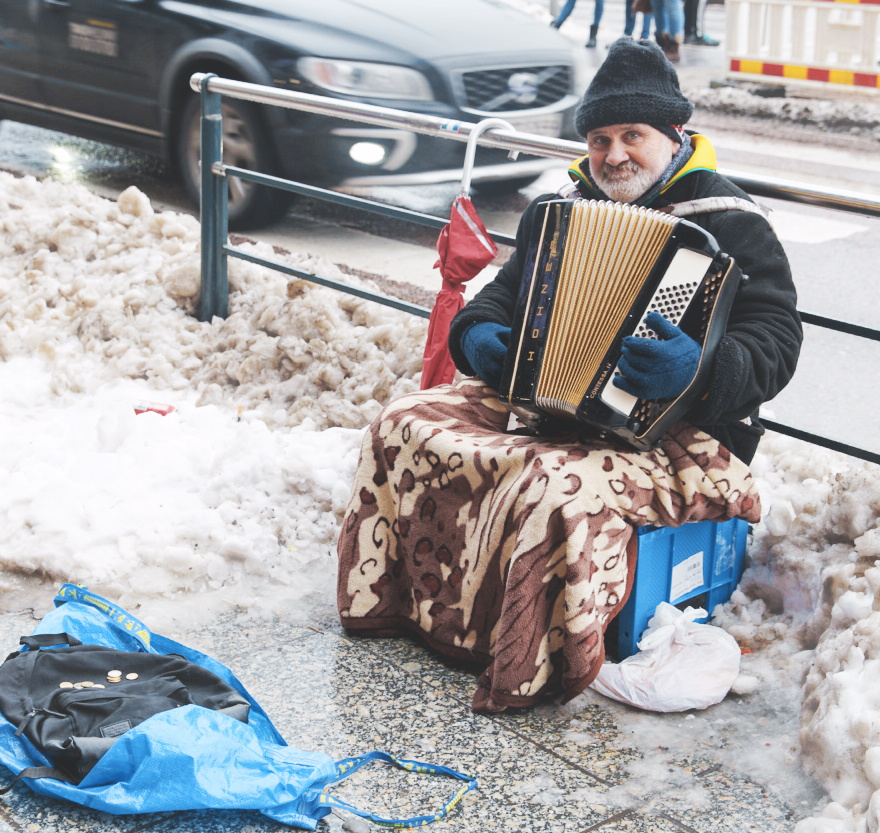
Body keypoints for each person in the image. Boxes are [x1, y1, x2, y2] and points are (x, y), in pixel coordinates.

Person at [336, 37, 800, 713]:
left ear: (672, 137)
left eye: (632, 136)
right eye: (600, 139)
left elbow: (779, 338)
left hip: (680, 437)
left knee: (559, 485)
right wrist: (483, 339)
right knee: (402, 424)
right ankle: (402, 607)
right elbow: (499, 296)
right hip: (555, 406)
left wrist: (697, 370)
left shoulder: (728, 219)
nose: (613, 155)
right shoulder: (563, 208)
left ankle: (527, 654)